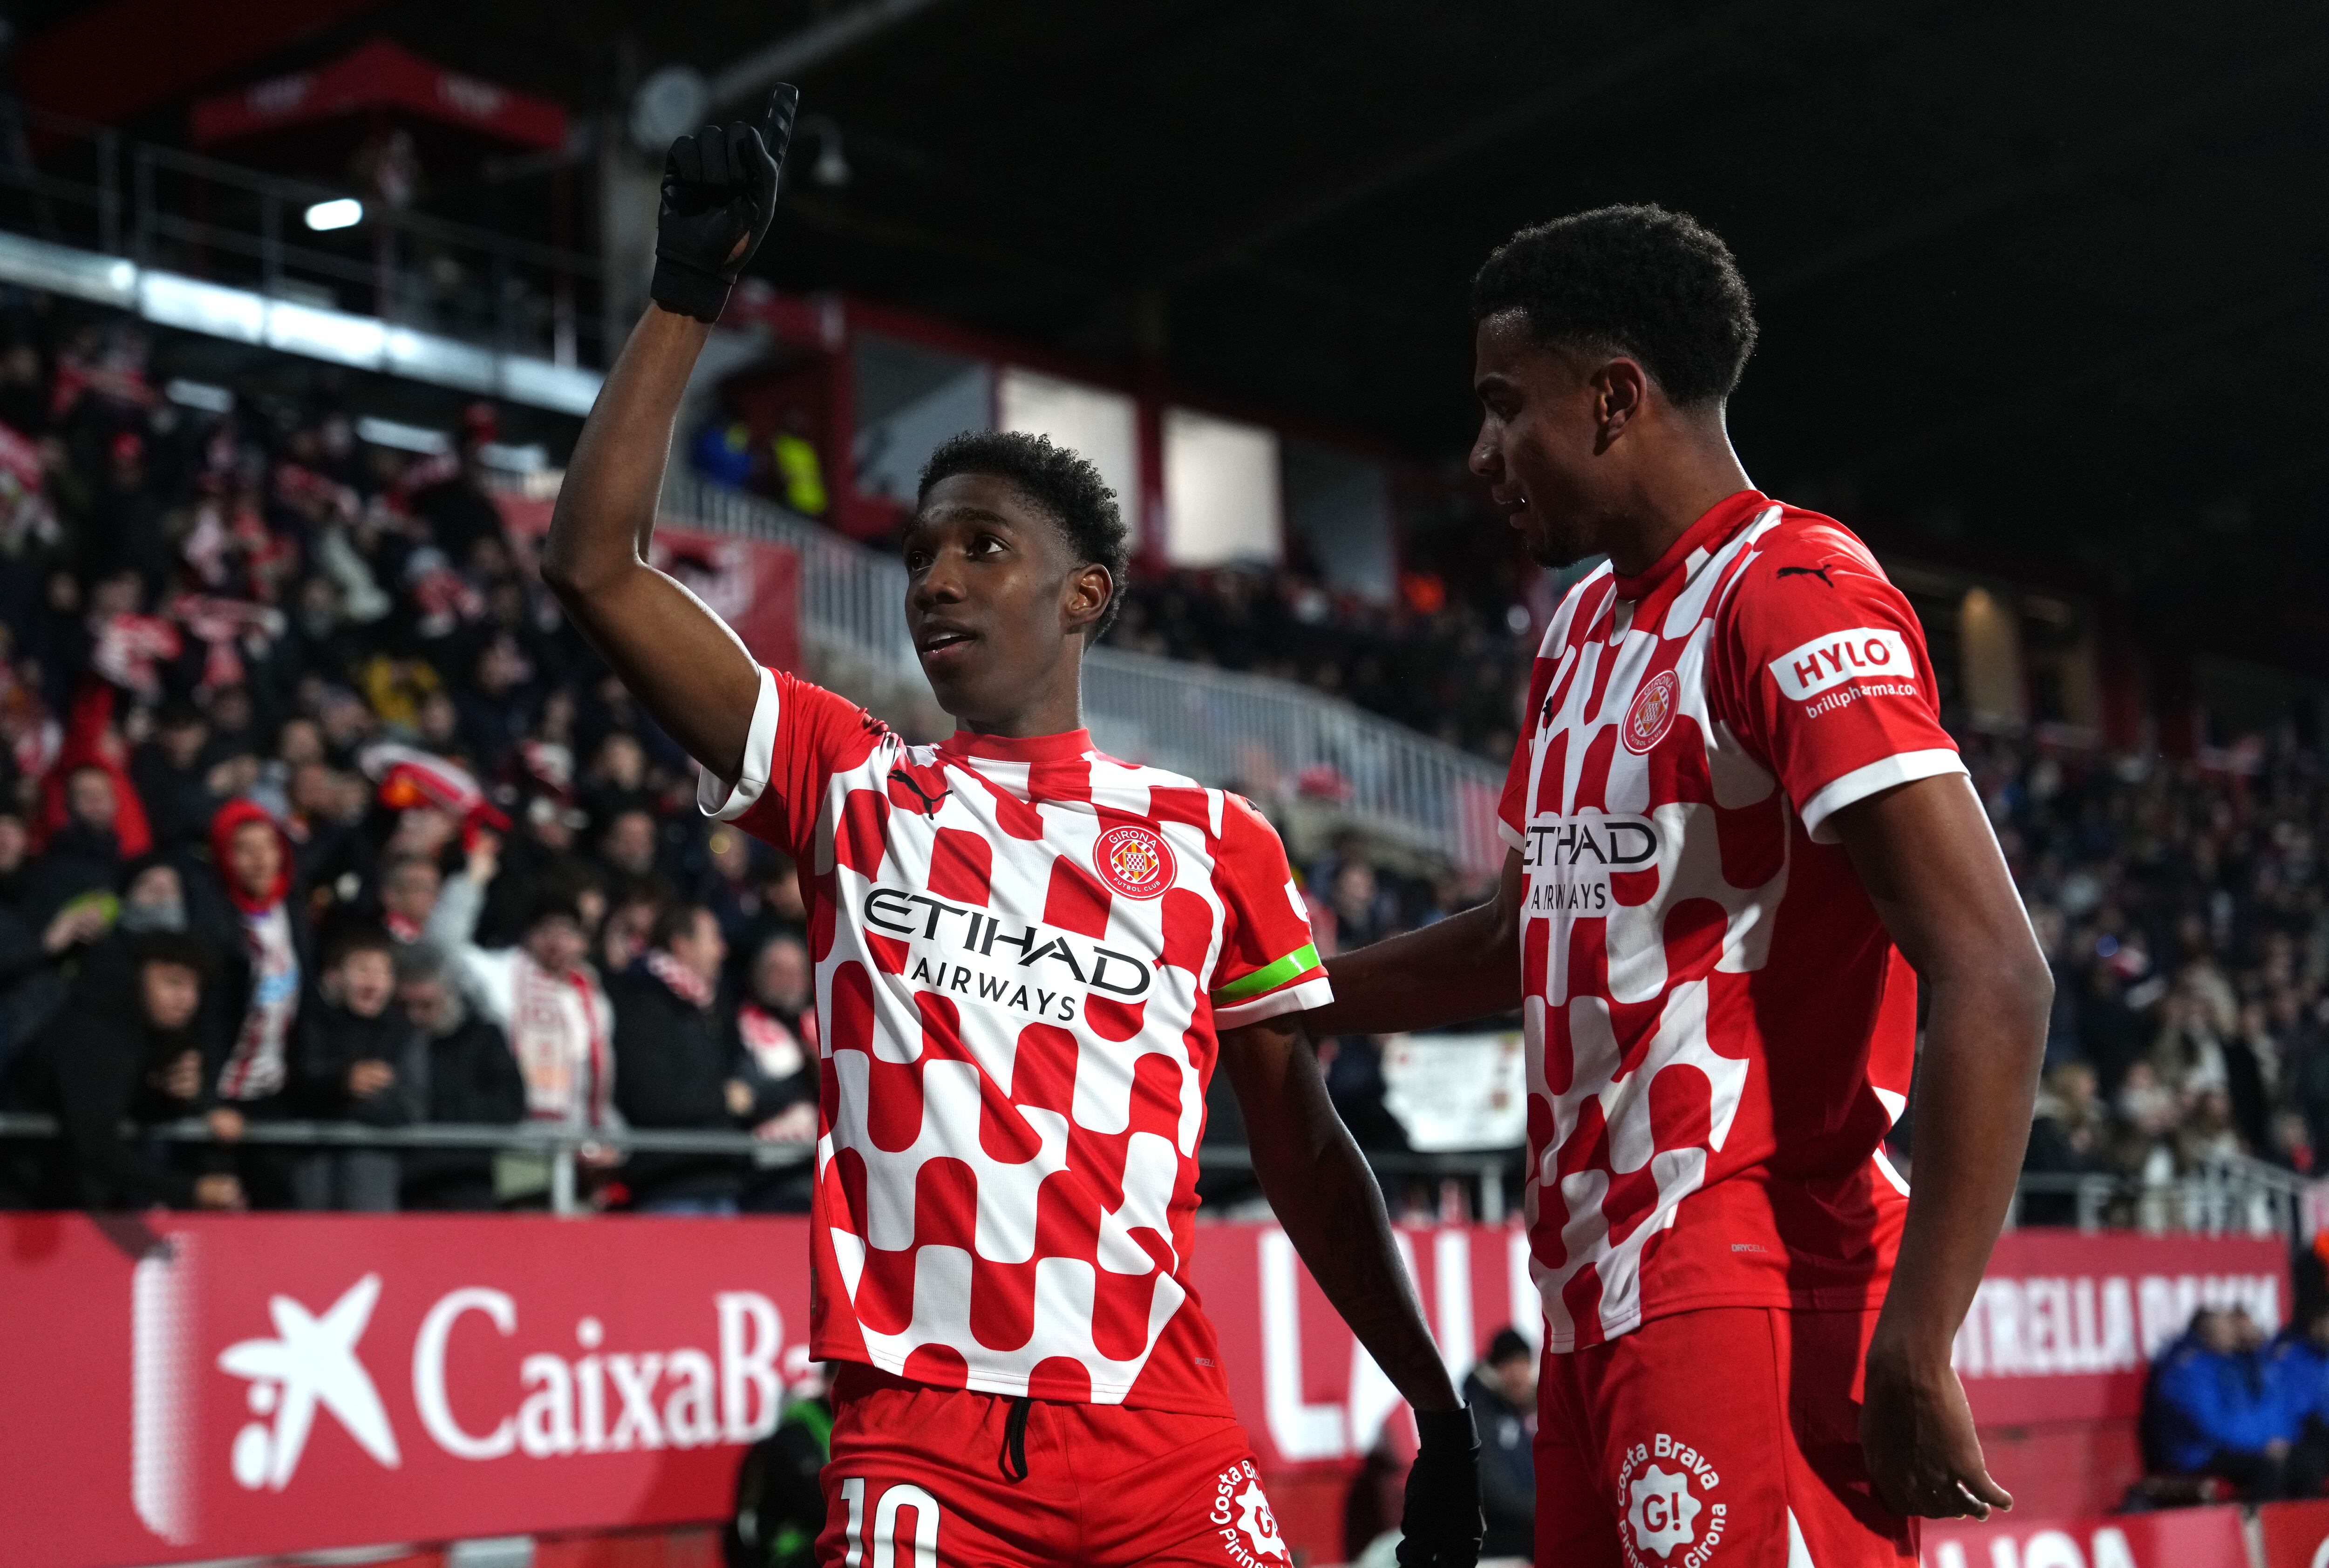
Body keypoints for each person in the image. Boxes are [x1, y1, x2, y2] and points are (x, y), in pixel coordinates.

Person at [540, 89, 1482, 1568]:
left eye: (983, 548)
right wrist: (684, 295)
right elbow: (596, 564)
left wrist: (1436, 1398)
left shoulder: (1214, 840)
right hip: (920, 1437)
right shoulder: (851, 784)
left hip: (1162, 1439)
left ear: (1084, 594)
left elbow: (1303, 1150)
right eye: (919, 555)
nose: (934, 582)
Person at [1304, 206, 2053, 1565]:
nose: (1479, 454)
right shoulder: (1580, 630)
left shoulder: (1795, 594)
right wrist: (1283, 998)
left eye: (1499, 408)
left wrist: (1921, 1333)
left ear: (1610, 399)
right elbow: (1520, 939)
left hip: (1749, 1274)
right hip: (1590, 1292)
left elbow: (1994, 968)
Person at [0, 929, 243, 1211]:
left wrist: (172, 1099)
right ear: (136, 978)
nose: (187, 999)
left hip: (67, 1201)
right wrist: (189, 1190)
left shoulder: (147, 1036)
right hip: (27, 1204)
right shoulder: (92, 1033)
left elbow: (121, 1112)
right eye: (173, 983)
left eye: (195, 987)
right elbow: (95, 1142)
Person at [609, 901, 745, 1214]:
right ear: (682, 946)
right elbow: (649, 1095)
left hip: (718, 1176)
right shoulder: (643, 1001)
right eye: (713, 939)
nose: (722, 950)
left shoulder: (710, 1005)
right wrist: (724, 1099)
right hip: (668, 1183)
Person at [205, 796, 308, 1207]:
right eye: (244, 849)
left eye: (267, 846)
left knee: (277, 1207)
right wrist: (207, 1103)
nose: (259, 859)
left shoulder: (292, 912)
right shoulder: (214, 919)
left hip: (273, 1091)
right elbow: (207, 1016)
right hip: (221, 1093)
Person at [293, 923, 422, 1210]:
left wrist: (346, 1102)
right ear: (336, 977)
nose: (373, 980)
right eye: (362, 969)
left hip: (374, 1179)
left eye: (382, 971)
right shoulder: (312, 1025)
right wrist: (343, 1085)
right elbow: (296, 1090)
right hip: (313, 1173)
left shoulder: (404, 1033)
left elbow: (411, 1107)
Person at [395, 940, 527, 1211]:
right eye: (405, 1006)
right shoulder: (395, 1040)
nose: (415, 1016)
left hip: (469, 1180)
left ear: (450, 993)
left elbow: (511, 1106)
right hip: (407, 1184)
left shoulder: (484, 1038)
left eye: (427, 1005)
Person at [2152, 1307, 2322, 1500]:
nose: (2234, 1336)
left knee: (2307, 1464)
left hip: (2237, 1446)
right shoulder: (2188, 1371)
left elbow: (2258, 1413)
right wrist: (2262, 1445)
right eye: (2227, 1331)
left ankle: (2302, 1526)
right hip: (2200, 1454)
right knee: (2267, 1468)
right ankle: (2257, 1525)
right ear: (2207, 1335)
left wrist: (2278, 1440)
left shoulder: (2235, 1363)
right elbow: (2211, 1424)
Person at [1463, 1329, 1538, 1561]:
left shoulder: (1538, 1410)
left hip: (1533, 1533)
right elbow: (1497, 1494)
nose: (1517, 1375)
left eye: (1523, 1364)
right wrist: (1558, 1510)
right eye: (1509, 1365)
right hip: (1498, 1545)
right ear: (1494, 1370)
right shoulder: (1479, 1418)